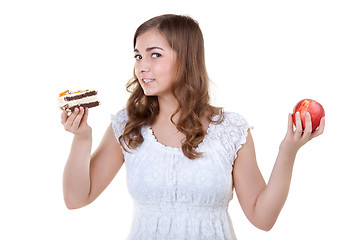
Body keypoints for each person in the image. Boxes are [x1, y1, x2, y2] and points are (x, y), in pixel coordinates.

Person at [61, 14, 325, 240]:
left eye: (155, 55)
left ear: (186, 58)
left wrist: (288, 151)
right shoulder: (128, 125)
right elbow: (76, 199)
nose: (142, 66)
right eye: (138, 56)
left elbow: (262, 218)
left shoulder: (230, 130)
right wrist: (82, 138)